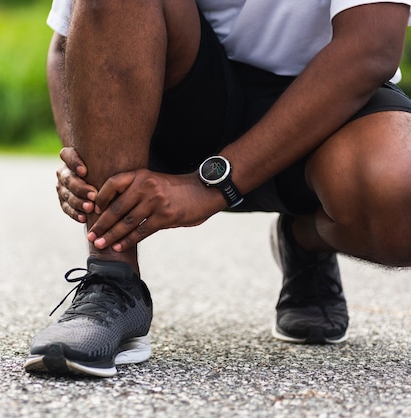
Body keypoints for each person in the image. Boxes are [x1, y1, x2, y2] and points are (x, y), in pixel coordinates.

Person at [23, 0, 411, 377]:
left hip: (327, 106)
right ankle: (112, 282)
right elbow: (67, 39)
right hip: (188, 95)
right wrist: (81, 157)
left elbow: (371, 49)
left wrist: (211, 185)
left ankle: (306, 239)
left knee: (400, 199)